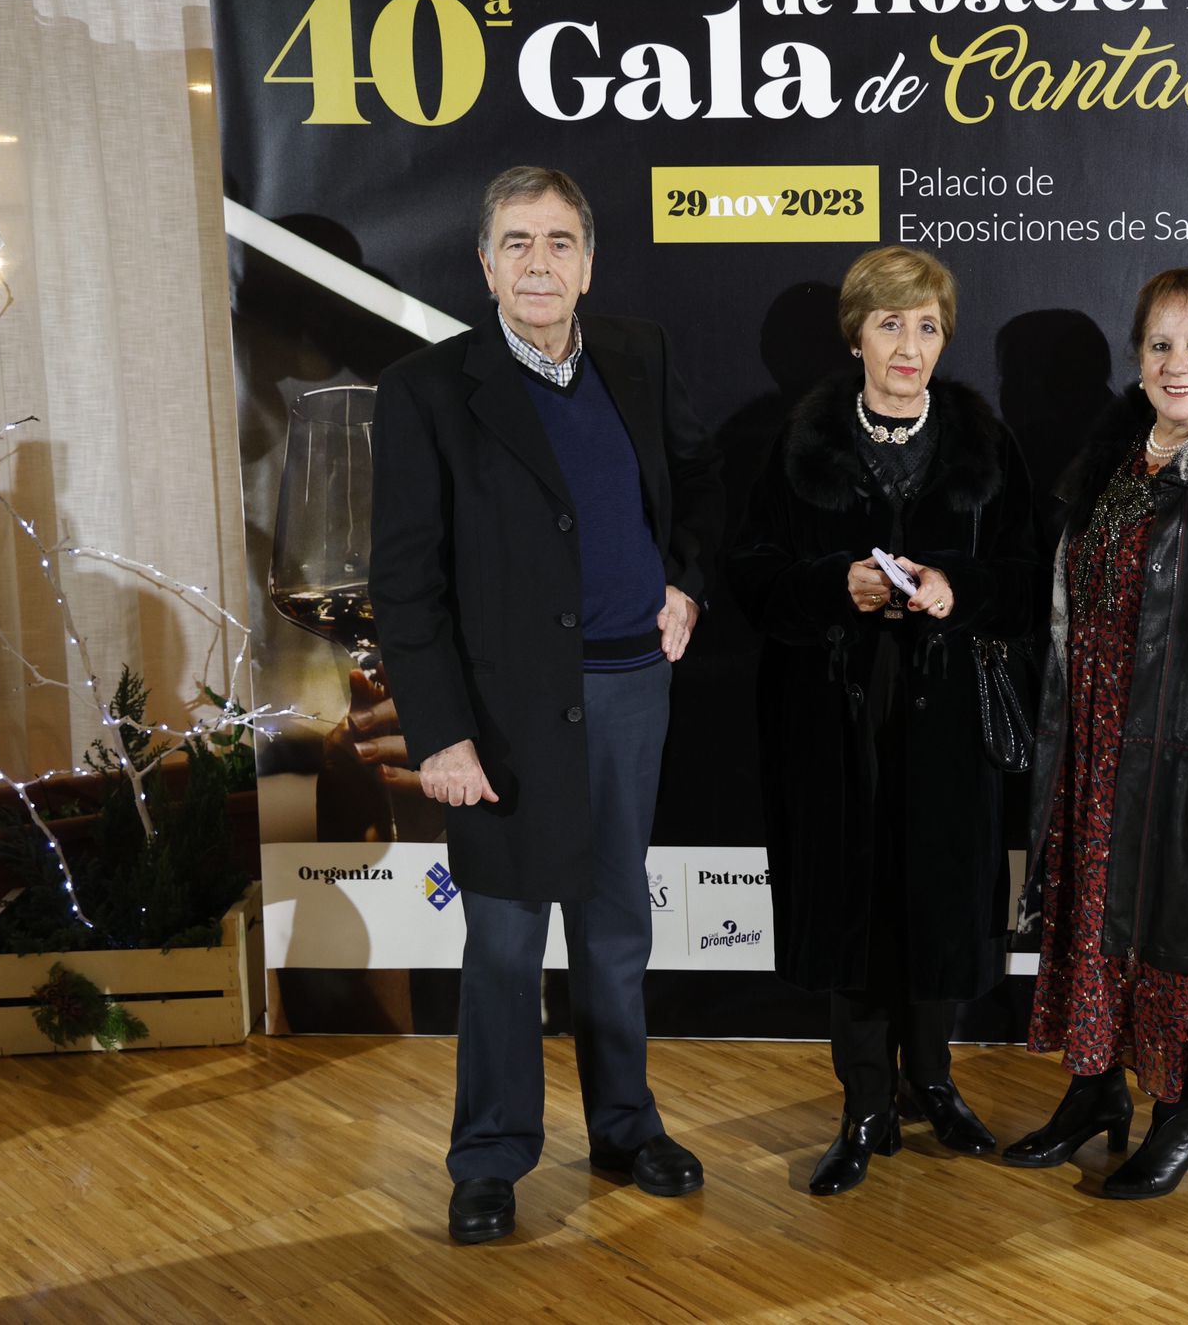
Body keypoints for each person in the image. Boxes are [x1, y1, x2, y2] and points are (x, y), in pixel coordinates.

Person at [371, 165, 723, 1244]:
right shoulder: (428, 390)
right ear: (484, 264)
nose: (538, 262)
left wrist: (685, 581)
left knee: (617, 932)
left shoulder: (636, 355)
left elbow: (697, 482)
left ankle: (625, 1126)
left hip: (629, 693)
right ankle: (488, 1157)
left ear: (587, 260)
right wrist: (439, 732)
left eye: (559, 241)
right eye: (516, 242)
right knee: (505, 946)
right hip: (504, 717)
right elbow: (405, 581)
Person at [725, 245, 1040, 1197]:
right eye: (892, 324)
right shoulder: (797, 443)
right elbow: (752, 577)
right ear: (857, 334)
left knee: (939, 904)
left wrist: (960, 589)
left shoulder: (987, 446)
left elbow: (1030, 580)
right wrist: (838, 585)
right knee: (853, 908)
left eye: (929, 327)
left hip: (951, 727)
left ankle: (933, 1082)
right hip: (832, 721)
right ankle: (865, 1102)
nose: (910, 346)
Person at [1008, 266, 1188, 1200]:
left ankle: (1185, 1113)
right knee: (1096, 928)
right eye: (1161, 345)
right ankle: (1095, 1089)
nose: (1178, 365)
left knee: (1177, 944)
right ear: (1138, 362)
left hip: (1185, 759)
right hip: (1092, 748)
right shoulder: (1108, 466)